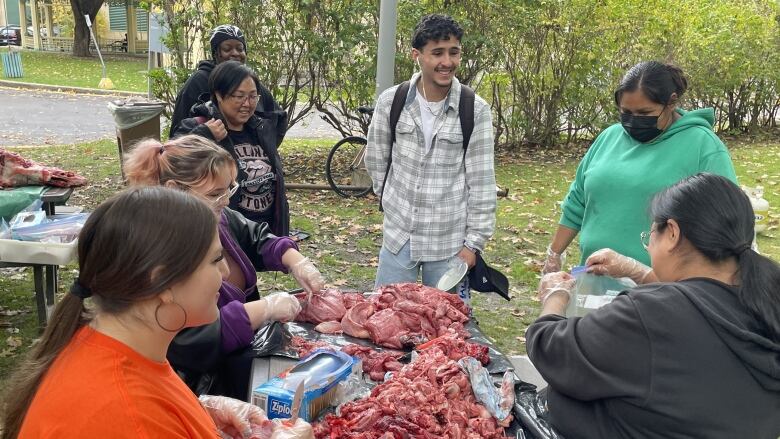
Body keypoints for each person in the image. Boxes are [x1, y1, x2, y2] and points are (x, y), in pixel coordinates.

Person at [1, 187, 279, 438]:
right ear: (162, 282)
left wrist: (199, 411)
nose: (226, 272)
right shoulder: (126, 414)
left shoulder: (120, 344)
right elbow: (132, 417)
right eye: (216, 259)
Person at [527, 173, 780, 439]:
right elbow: (704, 299)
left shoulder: (651, 315)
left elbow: (551, 348)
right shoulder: (765, 302)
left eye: (650, 235)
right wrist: (639, 273)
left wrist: (555, 295)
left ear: (672, 233)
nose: (648, 247)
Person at [124, 135, 323, 397]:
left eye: (229, 188)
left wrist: (295, 261)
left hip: (240, 365)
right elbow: (183, 343)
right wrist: (260, 310)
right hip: (197, 386)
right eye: (216, 193)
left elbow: (257, 238)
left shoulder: (218, 217)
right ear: (174, 189)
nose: (226, 200)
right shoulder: (156, 249)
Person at [542, 61, 738, 274]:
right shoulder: (609, 138)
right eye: (626, 112)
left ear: (671, 103)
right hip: (595, 278)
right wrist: (554, 254)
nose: (633, 121)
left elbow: (725, 222)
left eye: (645, 113)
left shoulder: (703, 146)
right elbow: (577, 201)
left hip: (662, 289)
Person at [364, 14, 496, 298]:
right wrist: (392, 202)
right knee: (388, 323)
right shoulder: (392, 101)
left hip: (449, 246)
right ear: (417, 55)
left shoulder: (475, 110)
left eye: (454, 52)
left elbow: (482, 183)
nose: (446, 62)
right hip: (399, 240)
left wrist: (473, 245)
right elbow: (375, 160)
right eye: (437, 53)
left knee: (448, 331)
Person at [172, 61, 290, 237]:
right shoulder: (197, 127)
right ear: (219, 95)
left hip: (265, 236)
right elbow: (171, 163)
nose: (247, 104)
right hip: (223, 237)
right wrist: (203, 135)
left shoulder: (260, 129)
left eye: (253, 96)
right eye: (239, 96)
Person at [169, 24, 285, 141]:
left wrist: (265, 145)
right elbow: (177, 137)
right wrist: (206, 136)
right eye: (227, 49)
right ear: (215, 53)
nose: (235, 53)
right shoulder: (198, 81)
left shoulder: (250, 81)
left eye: (240, 49)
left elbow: (278, 116)